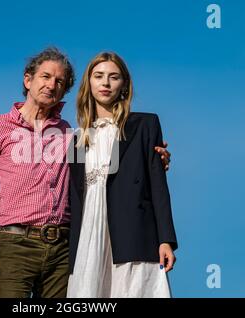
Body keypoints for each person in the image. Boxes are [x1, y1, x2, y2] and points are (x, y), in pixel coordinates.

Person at [0, 47, 172, 298]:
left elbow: (109, 167)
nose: (52, 85)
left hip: (63, 249)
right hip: (16, 245)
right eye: (45, 76)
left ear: (66, 90)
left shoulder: (71, 136)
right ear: (28, 80)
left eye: (60, 81)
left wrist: (154, 157)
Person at [67, 52, 178, 298]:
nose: (105, 83)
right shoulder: (75, 140)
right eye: (99, 76)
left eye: (113, 77)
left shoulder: (145, 125)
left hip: (134, 234)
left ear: (124, 85)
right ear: (89, 83)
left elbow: (158, 186)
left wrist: (166, 239)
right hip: (87, 236)